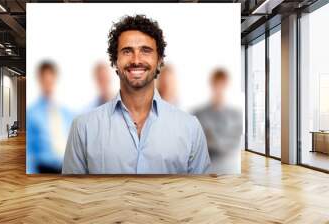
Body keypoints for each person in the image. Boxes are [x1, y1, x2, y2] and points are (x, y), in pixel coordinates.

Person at [62, 15, 210, 174]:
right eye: (127, 51)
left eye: (146, 51)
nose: (136, 60)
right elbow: (72, 193)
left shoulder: (190, 127)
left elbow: (201, 192)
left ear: (159, 60)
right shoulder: (83, 128)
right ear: (114, 61)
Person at [27, 61, 75, 174]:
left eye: (51, 81)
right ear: (40, 81)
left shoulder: (65, 112)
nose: (48, 85)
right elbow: (29, 151)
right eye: (45, 81)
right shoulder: (32, 113)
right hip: (45, 169)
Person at [193, 68, 242, 174]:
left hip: (229, 169)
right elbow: (197, 144)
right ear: (212, 84)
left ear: (227, 85)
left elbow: (232, 144)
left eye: (222, 84)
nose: (219, 88)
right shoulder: (199, 114)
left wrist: (211, 137)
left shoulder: (235, 115)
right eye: (217, 84)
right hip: (206, 169)